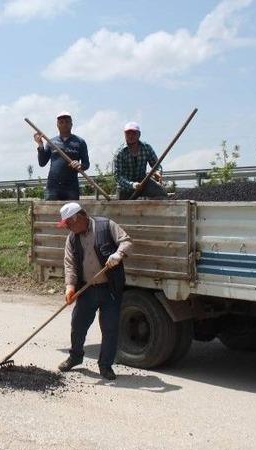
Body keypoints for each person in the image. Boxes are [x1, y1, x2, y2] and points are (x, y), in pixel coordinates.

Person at [56, 202, 132, 380]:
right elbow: (70, 265)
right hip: (87, 289)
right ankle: (75, 357)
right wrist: (70, 287)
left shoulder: (106, 226)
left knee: (110, 328)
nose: (67, 227)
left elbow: (127, 241)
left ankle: (105, 366)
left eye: (69, 223)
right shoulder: (72, 238)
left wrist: (118, 254)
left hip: (110, 288)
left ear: (80, 217)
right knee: (78, 325)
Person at [34, 111, 90, 200]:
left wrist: (80, 165)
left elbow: (86, 164)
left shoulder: (80, 142)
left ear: (71, 124)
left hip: (71, 187)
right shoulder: (51, 142)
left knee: (72, 213)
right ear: (57, 125)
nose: (64, 124)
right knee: (51, 212)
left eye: (67, 122)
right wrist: (40, 145)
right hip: (53, 186)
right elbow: (42, 163)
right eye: (61, 122)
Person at [113, 122, 167, 200]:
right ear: (124, 134)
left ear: (139, 134)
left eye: (134, 133)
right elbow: (118, 177)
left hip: (143, 182)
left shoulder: (146, 148)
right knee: (123, 208)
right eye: (128, 133)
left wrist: (158, 172)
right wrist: (132, 185)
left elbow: (156, 165)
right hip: (126, 187)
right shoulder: (120, 153)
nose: (131, 136)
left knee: (161, 193)